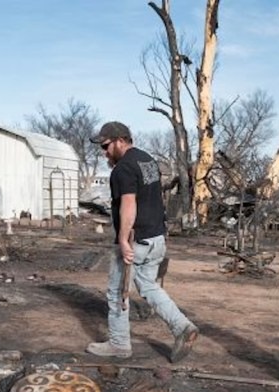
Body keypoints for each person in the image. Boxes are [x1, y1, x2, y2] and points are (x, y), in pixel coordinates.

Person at [85, 121, 199, 362]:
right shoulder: (147, 160)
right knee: (148, 286)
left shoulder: (123, 169)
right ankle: (182, 326)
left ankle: (119, 345)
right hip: (156, 238)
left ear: (120, 140)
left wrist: (124, 240)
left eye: (106, 146)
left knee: (117, 292)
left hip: (135, 240)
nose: (104, 152)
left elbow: (129, 203)